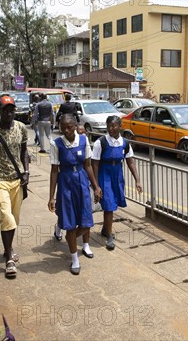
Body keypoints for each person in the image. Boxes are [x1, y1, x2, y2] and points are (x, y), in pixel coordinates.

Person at [48, 114, 102, 275]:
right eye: (63, 127)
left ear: (75, 125)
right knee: (71, 222)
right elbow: (54, 171)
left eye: (69, 127)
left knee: (86, 221)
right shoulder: (56, 143)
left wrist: (96, 186)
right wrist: (51, 196)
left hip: (82, 182)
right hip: (66, 184)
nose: (66, 130)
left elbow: (88, 165)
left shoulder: (84, 140)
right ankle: (74, 258)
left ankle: (72, 238)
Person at [0, 95, 29, 278]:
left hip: (17, 180)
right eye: (5, 110)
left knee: (14, 219)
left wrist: (26, 172)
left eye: (12, 109)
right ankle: (9, 258)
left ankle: (7, 247)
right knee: (6, 216)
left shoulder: (21, 128)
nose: (9, 113)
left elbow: (24, 152)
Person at [91, 115, 143, 250]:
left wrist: (137, 180)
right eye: (109, 126)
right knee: (108, 205)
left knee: (113, 203)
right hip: (104, 175)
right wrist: (96, 185)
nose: (111, 129)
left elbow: (130, 161)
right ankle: (109, 235)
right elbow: (94, 164)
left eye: (114, 126)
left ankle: (105, 229)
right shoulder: (100, 142)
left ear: (120, 127)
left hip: (117, 175)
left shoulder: (125, 143)